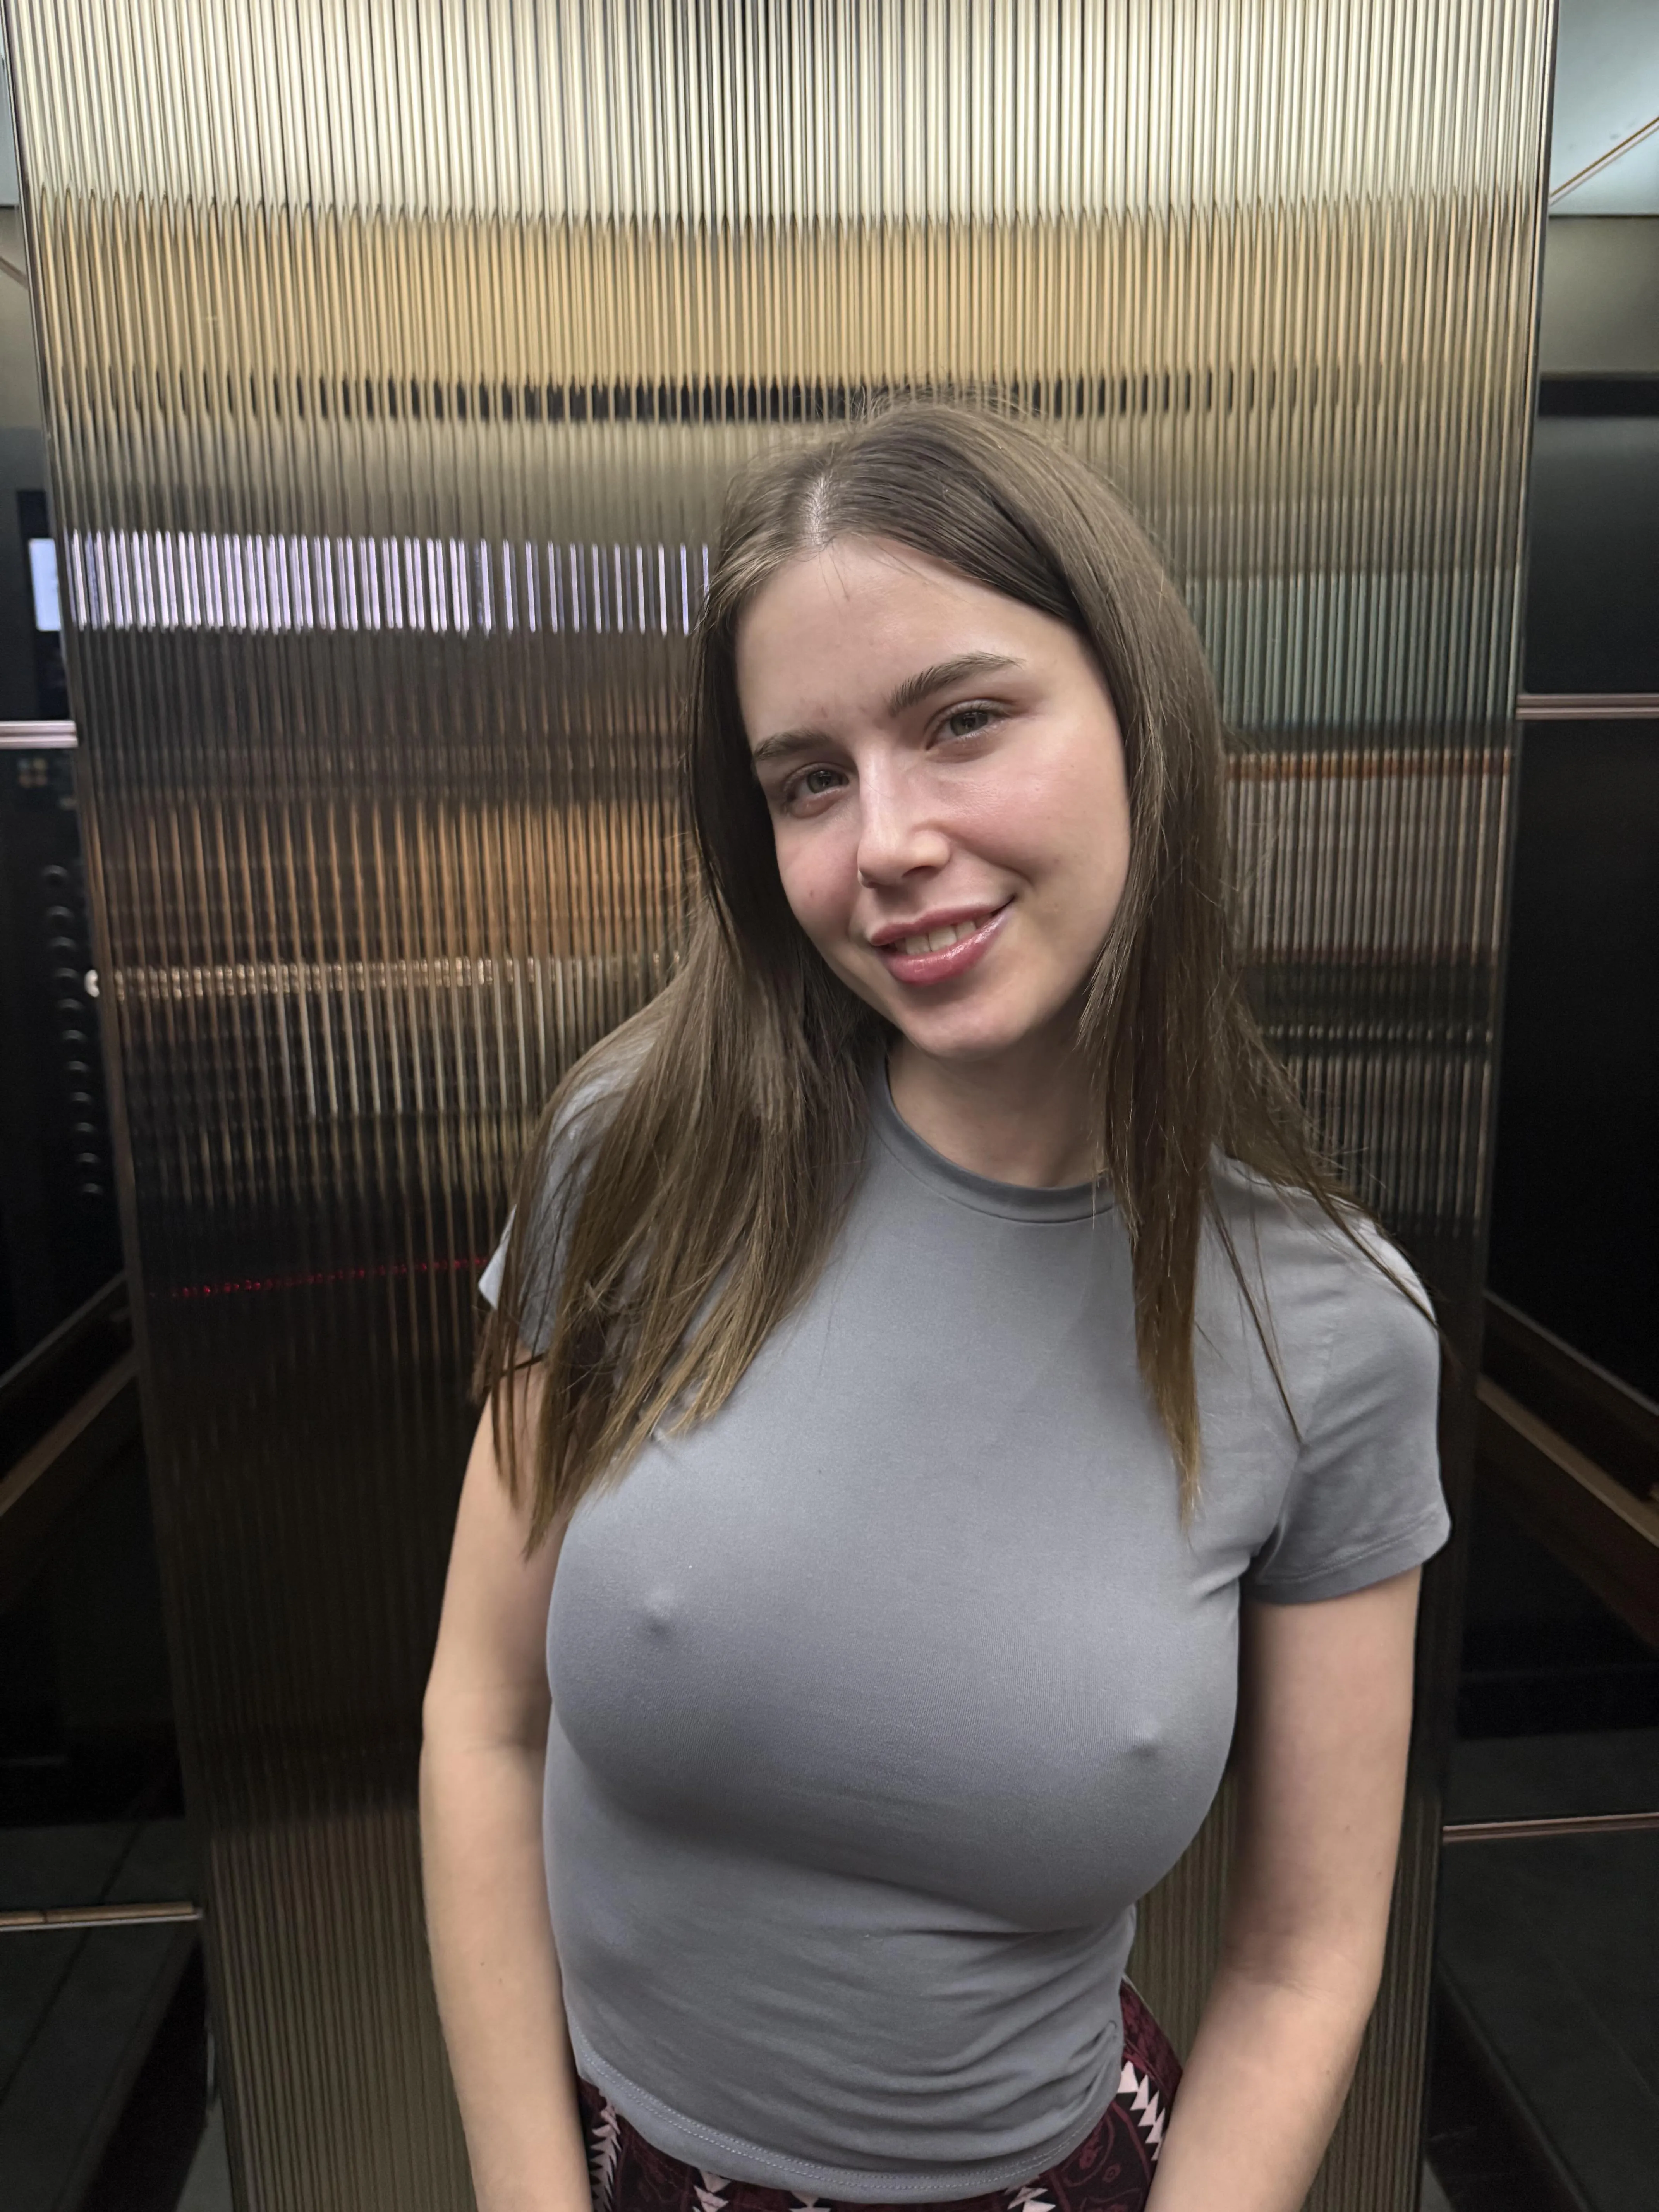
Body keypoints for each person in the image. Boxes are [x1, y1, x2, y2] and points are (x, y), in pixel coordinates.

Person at [420, 400, 1451, 2212]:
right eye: (809, 777)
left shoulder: (1329, 1331)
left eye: (962, 721)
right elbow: (481, 1722)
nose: (884, 840)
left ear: (1141, 720)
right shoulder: (636, 1154)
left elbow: (1303, 1957)